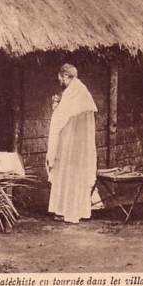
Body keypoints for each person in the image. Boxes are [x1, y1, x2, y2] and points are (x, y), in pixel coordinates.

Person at [46, 64, 98, 224]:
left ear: (66, 76)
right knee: (71, 175)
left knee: (69, 175)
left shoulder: (74, 92)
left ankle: (69, 211)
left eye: (61, 78)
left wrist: (55, 109)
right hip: (77, 144)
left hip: (72, 144)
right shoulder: (80, 91)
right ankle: (70, 210)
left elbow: (61, 118)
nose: (60, 81)